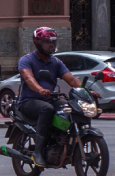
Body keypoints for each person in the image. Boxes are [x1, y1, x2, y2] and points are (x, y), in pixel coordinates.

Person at [17, 27, 100, 167]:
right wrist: (40, 89)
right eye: (47, 42)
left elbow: (71, 80)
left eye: (53, 42)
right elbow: (28, 78)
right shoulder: (27, 60)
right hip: (29, 101)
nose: (51, 45)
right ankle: (38, 152)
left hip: (49, 99)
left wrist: (87, 91)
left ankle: (62, 140)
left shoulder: (55, 62)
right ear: (37, 43)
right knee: (47, 109)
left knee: (69, 108)